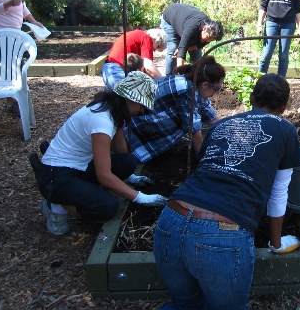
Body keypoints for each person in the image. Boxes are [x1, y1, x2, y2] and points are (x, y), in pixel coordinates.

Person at [146, 74, 300, 310]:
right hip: (221, 235)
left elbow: (204, 168)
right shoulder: (286, 130)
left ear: (251, 99)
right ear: (284, 107)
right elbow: (278, 194)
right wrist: (275, 243)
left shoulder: (220, 125)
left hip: (170, 221)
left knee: (184, 307)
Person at [29, 72, 168, 235]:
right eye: (141, 104)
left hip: (77, 166)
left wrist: (129, 176)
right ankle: (57, 205)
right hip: (55, 176)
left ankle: (82, 194)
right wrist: (140, 197)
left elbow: (119, 144)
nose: (142, 110)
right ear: (129, 99)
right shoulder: (102, 121)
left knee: (128, 162)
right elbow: (104, 175)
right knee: (107, 207)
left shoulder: (114, 109)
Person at [127, 56, 224, 163]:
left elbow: (212, 117)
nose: (218, 93)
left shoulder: (196, 86)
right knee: (183, 124)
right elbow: (194, 129)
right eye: (217, 89)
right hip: (135, 125)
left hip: (149, 116)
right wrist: (203, 160)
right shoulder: (186, 90)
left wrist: (232, 131)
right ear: (205, 85)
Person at [160, 3, 224, 75]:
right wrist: (180, 74)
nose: (207, 41)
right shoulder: (192, 29)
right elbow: (182, 51)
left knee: (197, 58)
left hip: (185, 22)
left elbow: (195, 47)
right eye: (207, 38)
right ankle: (169, 79)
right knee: (173, 50)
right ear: (204, 29)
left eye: (211, 40)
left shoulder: (212, 32)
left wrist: (182, 48)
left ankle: (196, 79)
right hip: (170, 19)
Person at [101, 29, 167, 90]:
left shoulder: (137, 35)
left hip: (109, 70)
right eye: (158, 46)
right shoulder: (146, 38)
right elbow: (148, 67)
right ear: (156, 39)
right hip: (116, 69)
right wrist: (164, 83)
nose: (155, 50)